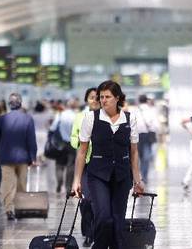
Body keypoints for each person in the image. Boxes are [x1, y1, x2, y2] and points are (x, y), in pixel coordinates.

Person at [72, 80, 144, 249]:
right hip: (98, 175)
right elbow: (82, 152)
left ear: (117, 98)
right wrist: (76, 180)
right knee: (104, 218)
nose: (103, 100)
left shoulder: (130, 118)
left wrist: (138, 180)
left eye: (108, 97)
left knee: (118, 221)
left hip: (122, 176)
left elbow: (133, 152)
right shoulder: (91, 118)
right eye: (101, 97)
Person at [0, 93, 38, 220]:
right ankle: (20, 208)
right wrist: (33, 157)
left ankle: (9, 209)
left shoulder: (2, 119)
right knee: (22, 184)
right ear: (21, 103)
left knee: (8, 184)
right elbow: (31, 140)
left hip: (6, 157)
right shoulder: (28, 119)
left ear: (9, 104)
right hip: (23, 158)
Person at [70, 87, 99, 247]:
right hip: (86, 163)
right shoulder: (80, 117)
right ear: (86, 99)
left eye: (97, 97)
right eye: (91, 97)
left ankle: (96, 232)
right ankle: (88, 233)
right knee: (86, 200)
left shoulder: (106, 116)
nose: (94, 100)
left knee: (99, 201)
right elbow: (73, 136)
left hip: (102, 164)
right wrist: (81, 143)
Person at [50, 100, 77, 193]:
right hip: (72, 144)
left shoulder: (60, 115)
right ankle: (68, 187)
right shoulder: (75, 116)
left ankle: (59, 182)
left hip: (60, 143)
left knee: (59, 165)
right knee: (71, 165)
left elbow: (52, 128)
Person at [134, 95, 159, 184]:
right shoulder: (152, 110)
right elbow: (156, 126)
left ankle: (139, 175)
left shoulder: (135, 111)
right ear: (147, 101)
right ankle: (144, 176)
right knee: (146, 157)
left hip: (137, 136)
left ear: (139, 101)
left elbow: (132, 125)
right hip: (148, 136)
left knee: (138, 156)